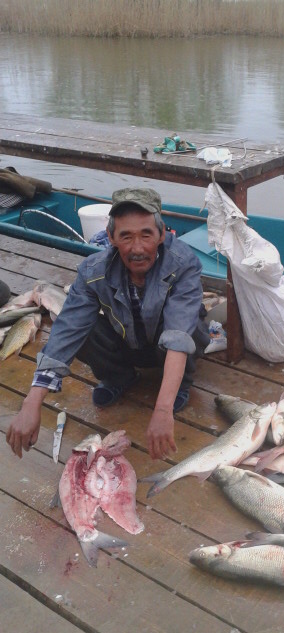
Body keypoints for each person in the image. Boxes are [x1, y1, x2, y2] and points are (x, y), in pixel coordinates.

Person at [6, 187, 209, 461]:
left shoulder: (184, 264)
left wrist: (162, 410)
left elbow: (178, 335)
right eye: (126, 236)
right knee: (78, 324)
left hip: (169, 347)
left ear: (162, 234)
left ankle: (179, 383)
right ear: (111, 238)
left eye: (146, 235)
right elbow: (68, 328)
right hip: (129, 342)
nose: (137, 248)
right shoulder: (93, 271)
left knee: (190, 328)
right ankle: (120, 376)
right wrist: (31, 402)